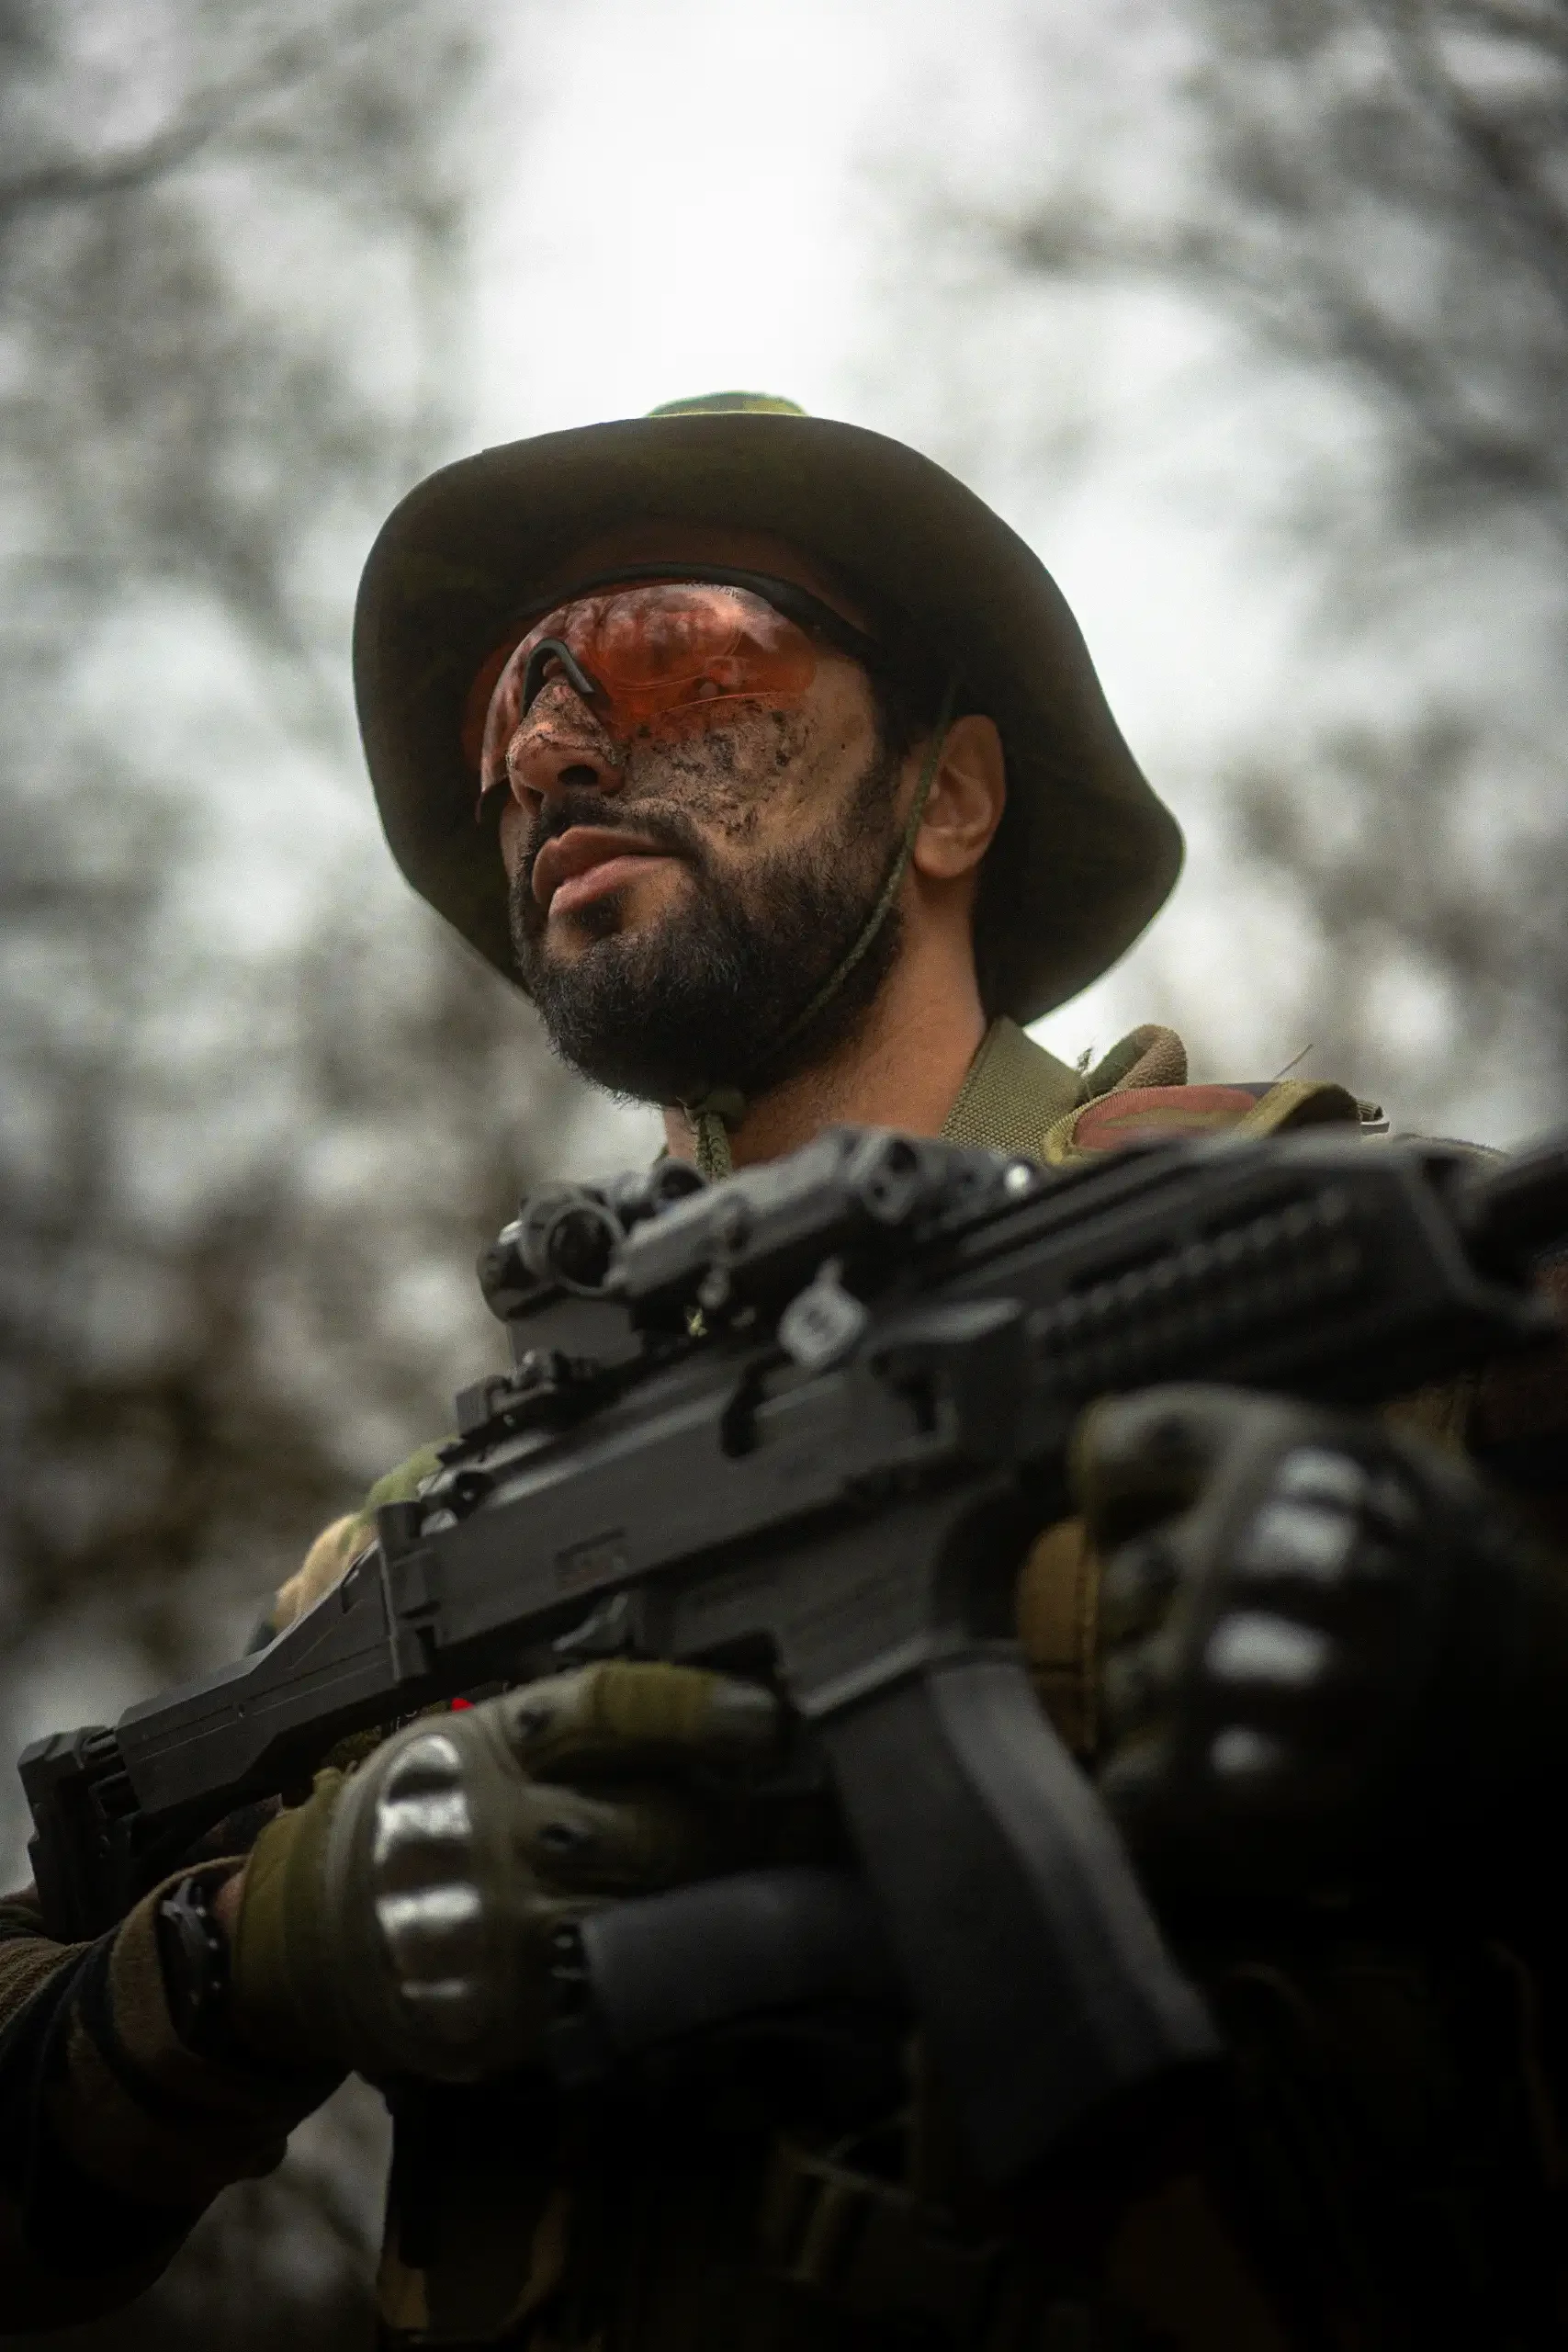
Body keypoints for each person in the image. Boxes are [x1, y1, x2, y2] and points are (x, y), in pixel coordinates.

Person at [3, 393, 1566, 2348]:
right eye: (510, 708)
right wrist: (256, 1952)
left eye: (675, 657)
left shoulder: (1361, 1271)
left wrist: (1487, 1658)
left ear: (950, 797)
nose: (553, 749)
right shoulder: (417, 1556)